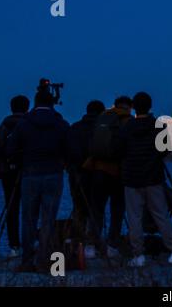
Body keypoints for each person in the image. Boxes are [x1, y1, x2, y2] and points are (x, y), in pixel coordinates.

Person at [7, 90, 69, 272]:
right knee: (48, 219)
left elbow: (11, 149)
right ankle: (45, 260)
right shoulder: (60, 123)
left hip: (30, 174)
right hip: (54, 174)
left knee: (28, 219)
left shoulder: (24, 123)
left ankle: (27, 260)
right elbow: (70, 147)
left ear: (35, 103)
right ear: (52, 104)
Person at [119, 92, 172, 267]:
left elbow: (118, 149)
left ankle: (138, 254)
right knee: (161, 215)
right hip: (153, 177)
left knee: (134, 218)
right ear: (150, 106)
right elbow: (166, 148)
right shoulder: (158, 126)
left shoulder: (127, 127)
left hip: (131, 178)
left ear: (134, 107)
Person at [83, 96, 132, 259]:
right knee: (117, 210)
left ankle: (91, 245)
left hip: (98, 170)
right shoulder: (127, 120)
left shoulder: (103, 118)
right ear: (129, 107)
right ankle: (112, 244)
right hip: (118, 172)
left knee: (96, 209)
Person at [0, 95, 30, 257]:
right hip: (30, 173)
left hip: (8, 174)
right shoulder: (30, 125)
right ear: (27, 107)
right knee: (31, 210)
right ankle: (31, 244)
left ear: (11, 107)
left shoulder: (3, 127)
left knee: (11, 209)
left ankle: (14, 246)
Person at [67, 100, 105, 242]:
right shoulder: (102, 129)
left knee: (79, 208)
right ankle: (94, 242)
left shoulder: (74, 128)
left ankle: (79, 241)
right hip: (99, 174)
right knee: (97, 209)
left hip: (77, 175)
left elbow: (68, 152)